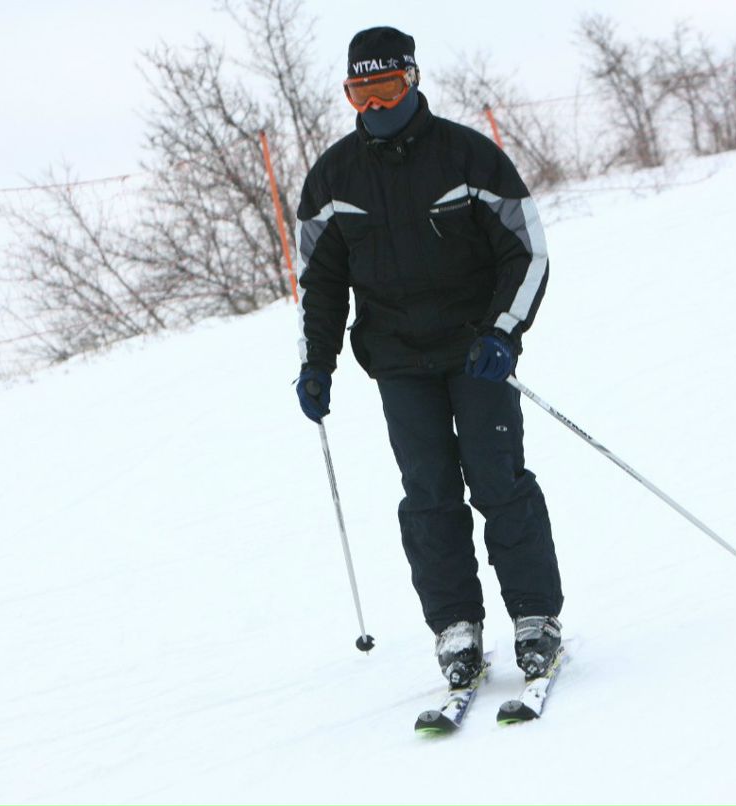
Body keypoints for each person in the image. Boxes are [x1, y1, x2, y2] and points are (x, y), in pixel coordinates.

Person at [293, 26, 563, 687]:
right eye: (361, 92)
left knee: (498, 480)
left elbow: (525, 253)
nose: (376, 106)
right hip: (397, 362)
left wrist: (502, 334)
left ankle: (535, 619)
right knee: (429, 494)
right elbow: (320, 287)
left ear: (412, 81)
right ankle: (455, 628)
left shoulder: (468, 157)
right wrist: (316, 363)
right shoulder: (332, 179)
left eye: (386, 87)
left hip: (476, 353)